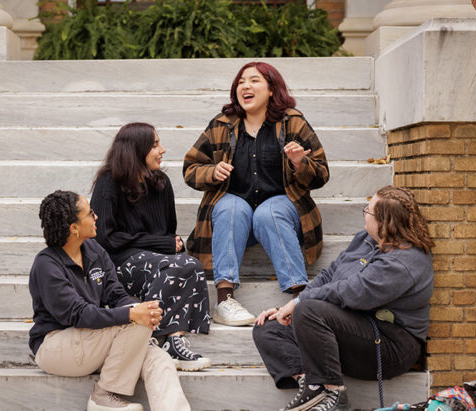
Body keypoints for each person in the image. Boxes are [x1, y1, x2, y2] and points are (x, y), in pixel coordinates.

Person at [252, 185, 435, 411]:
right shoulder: (365, 239)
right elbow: (330, 274)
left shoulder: (405, 262)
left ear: (384, 221)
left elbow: (352, 293)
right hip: (351, 328)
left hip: (390, 345)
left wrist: (298, 303)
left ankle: (334, 394)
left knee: (308, 311)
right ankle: (312, 387)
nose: (365, 214)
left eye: (368, 211)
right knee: (268, 326)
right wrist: (286, 309)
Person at [183, 61, 329, 326]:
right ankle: (225, 301)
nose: (245, 86)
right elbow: (191, 168)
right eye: (241, 82)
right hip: (235, 219)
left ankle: (301, 299)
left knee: (268, 212)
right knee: (231, 207)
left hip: (280, 214)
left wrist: (300, 163)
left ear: (272, 89)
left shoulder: (293, 122)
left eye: (254, 80)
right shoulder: (222, 124)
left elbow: (321, 174)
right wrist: (212, 172)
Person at [28, 190, 191, 411]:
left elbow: (115, 294)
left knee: (158, 358)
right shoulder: (47, 265)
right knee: (136, 322)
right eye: (90, 213)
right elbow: (79, 314)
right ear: (73, 228)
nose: (96, 217)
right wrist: (133, 314)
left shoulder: (94, 251)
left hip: (93, 344)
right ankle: (103, 395)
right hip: (57, 347)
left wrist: (141, 309)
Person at [90, 122, 211, 371]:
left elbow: (166, 231)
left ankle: (173, 339)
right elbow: (104, 239)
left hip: (157, 261)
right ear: (136, 149)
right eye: (155, 145)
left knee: (191, 265)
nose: (162, 150)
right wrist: (160, 243)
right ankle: (162, 340)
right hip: (118, 261)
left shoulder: (161, 183)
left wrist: (168, 244)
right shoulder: (108, 184)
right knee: (178, 265)